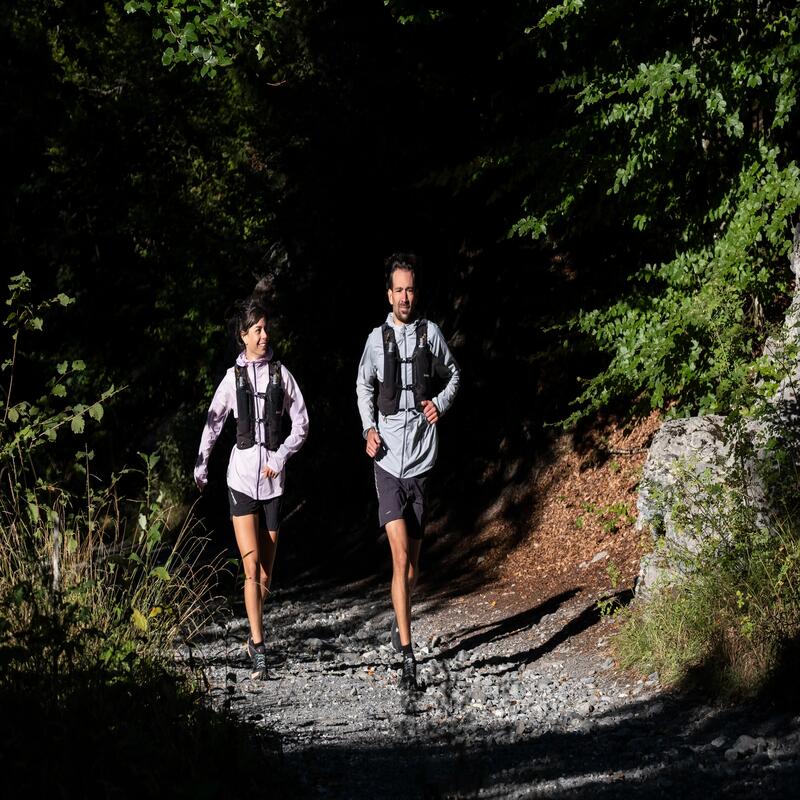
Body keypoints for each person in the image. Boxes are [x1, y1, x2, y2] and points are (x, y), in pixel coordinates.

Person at [356, 253, 460, 690]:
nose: (404, 296)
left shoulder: (430, 334)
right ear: (388, 294)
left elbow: (454, 375)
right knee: (398, 557)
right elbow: (363, 386)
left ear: (416, 292)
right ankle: (407, 654)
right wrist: (368, 429)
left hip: (421, 459)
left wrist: (441, 403)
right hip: (386, 462)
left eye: (410, 289)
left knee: (411, 569)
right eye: (398, 289)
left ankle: (401, 616)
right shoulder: (375, 340)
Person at [194, 288, 309, 680]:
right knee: (250, 567)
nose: (264, 336)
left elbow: (303, 423)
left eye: (265, 329)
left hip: (273, 484)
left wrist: (280, 457)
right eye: (256, 330)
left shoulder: (282, 375)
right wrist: (201, 463)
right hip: (241, 479)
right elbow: (213, 422)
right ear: (242, 335)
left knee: (266, 577)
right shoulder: (232, 379)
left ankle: (252, 631)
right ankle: (259, 647)